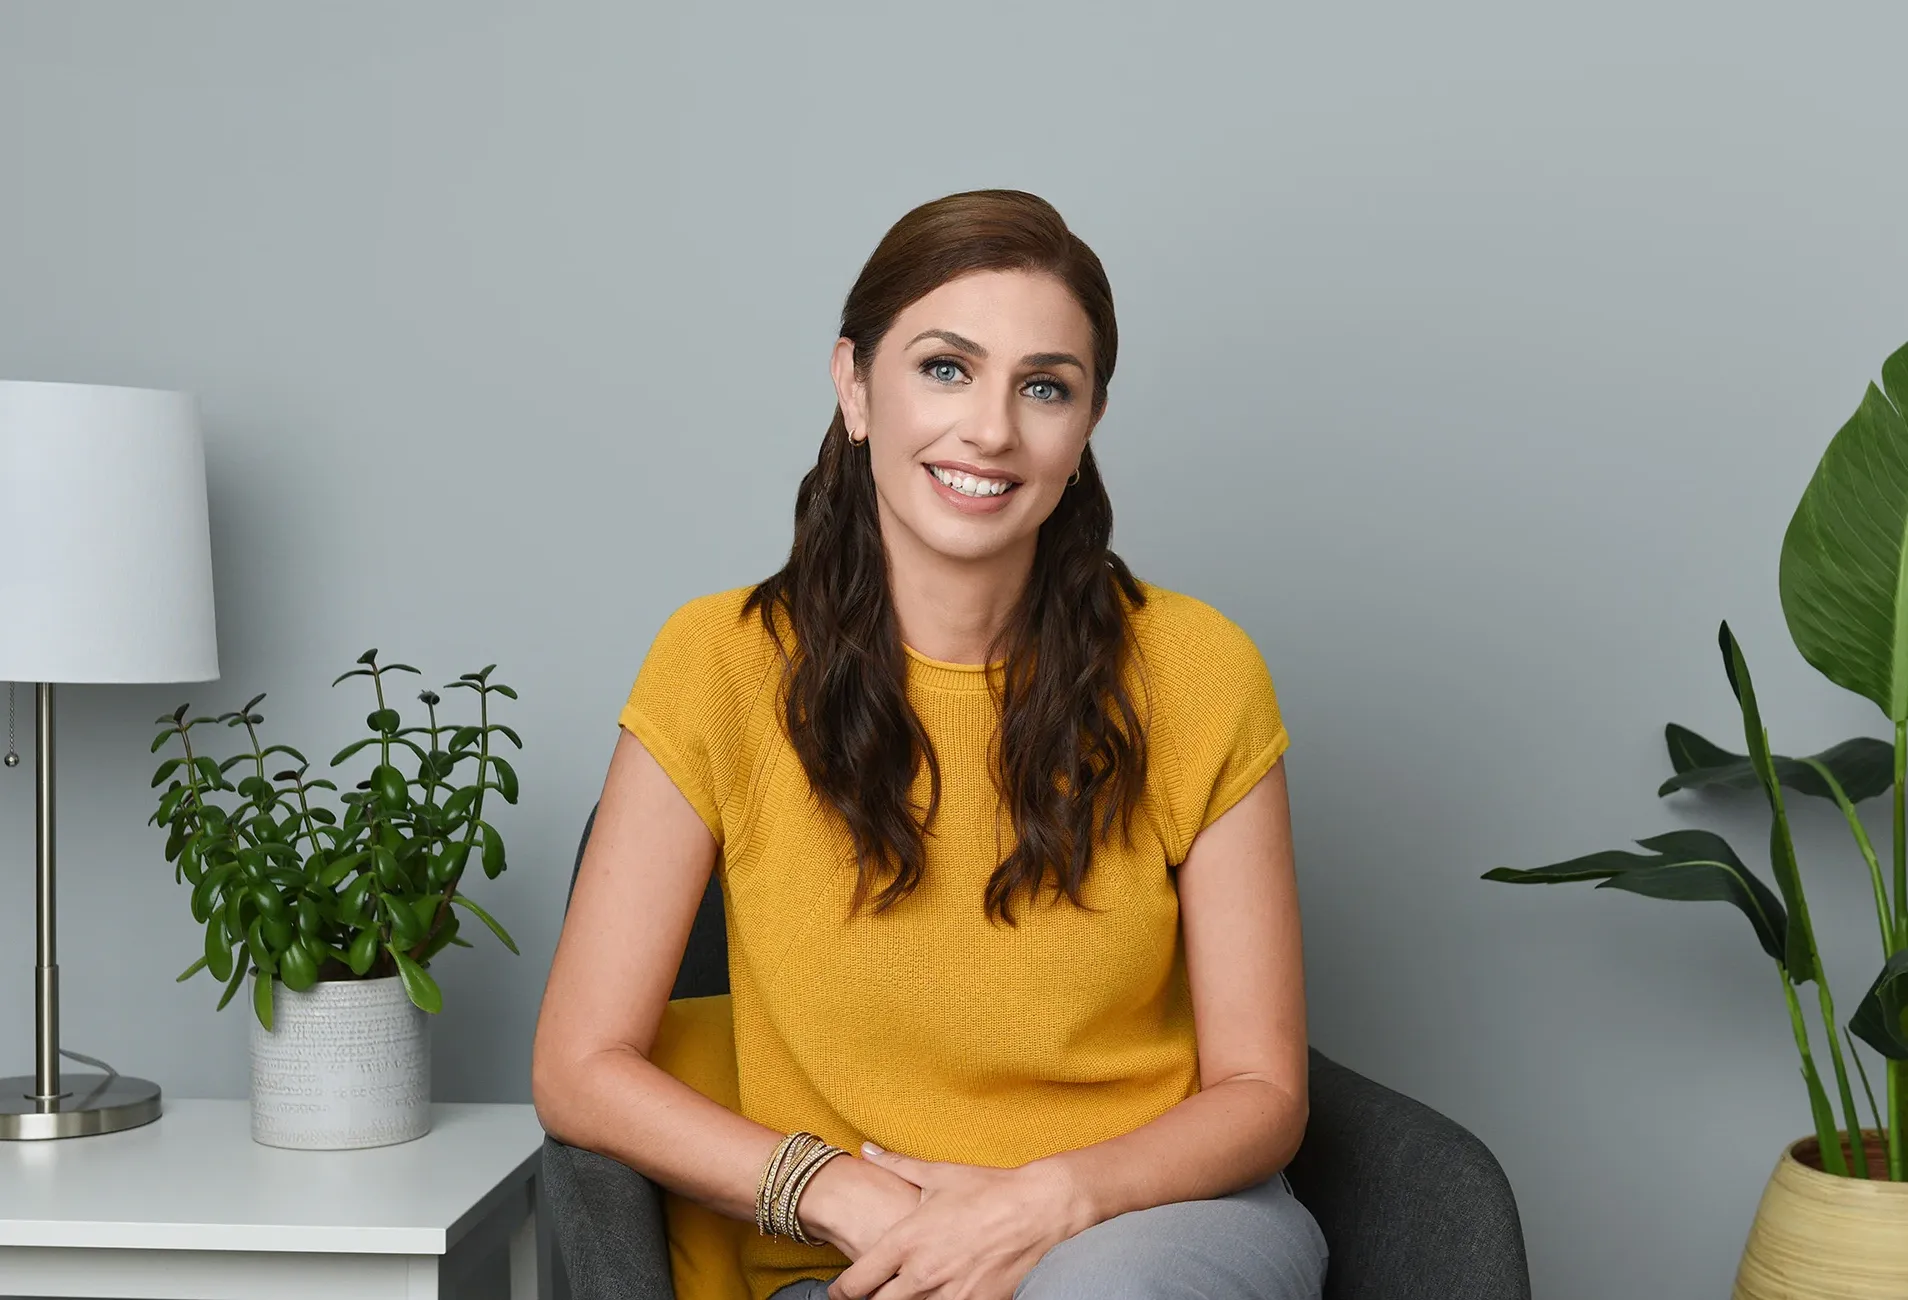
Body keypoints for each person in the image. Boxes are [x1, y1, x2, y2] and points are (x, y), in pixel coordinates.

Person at [532, 189, 1327, 1300]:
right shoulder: (719, 661)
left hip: (1148, 1224)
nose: (992, 429)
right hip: (868, 1256)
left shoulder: (1199, 670)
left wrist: (1043, 1202)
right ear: (855, 386)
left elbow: (1262, 1090)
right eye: (945, 368)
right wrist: (842, 1193)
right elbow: (580, 1066)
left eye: (1044, 386)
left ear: (1086, 425)